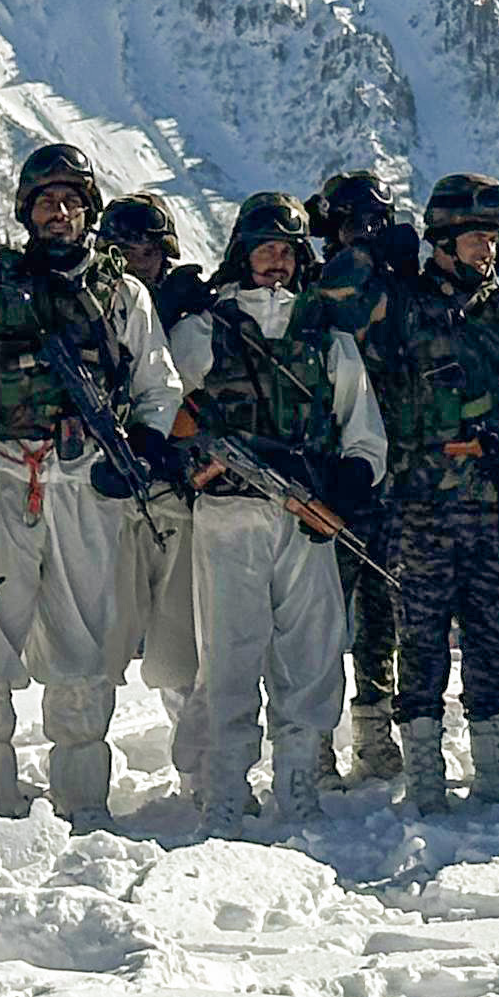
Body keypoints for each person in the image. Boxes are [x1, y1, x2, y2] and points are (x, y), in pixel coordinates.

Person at [0, 142, 178, 825]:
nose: (60, 211)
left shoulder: (121, 291)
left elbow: (156, 383)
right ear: (25, 211)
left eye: (72, 201)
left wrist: (143, 442)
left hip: (85, 483)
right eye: (47, 201)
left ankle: (82, 802)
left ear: (88, 210)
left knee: (83, 646)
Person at [164, 189, 388, 828]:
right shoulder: (202, 332)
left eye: (286, 250)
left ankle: (298, 784)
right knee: (230, 654)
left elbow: (362, 429)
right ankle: (227, 789)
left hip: (305, 514)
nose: (275, 261)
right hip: (229, 513)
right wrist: (195, 466)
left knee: (314, 653)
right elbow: (164, 418)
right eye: (263, 248)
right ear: (241, 252)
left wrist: (349, 482)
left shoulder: (325, 336)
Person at [358, 173, 499, 812]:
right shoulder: (400, 306)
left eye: (493, 237)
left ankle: (497, 774)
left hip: (496, 508)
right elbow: (331, 308)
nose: (487, 249)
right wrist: (368, 256)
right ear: (441, 241)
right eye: (475, 236)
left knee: (492, 635)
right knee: (419, 639)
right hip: (419, 508)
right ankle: (424, 774)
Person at [302, 170, 417, 786]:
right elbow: (333, 310)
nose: (365, 232)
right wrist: (362, 256)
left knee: (381, 615)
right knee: (322, 615)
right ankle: (316, 740)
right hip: (337, 471)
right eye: (352, 222)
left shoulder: (398, 284)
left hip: (399, 473)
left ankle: (375, 732)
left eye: (374, 221)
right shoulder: (324, 283)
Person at [97, 192, 212, 800]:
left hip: (182, 494)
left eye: (147, 247)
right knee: (92, 644)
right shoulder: (89, 306)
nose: (136, 259)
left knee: (184, 652)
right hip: (106, 497)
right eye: (123, 248)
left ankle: (199, 776)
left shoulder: (196, 315)